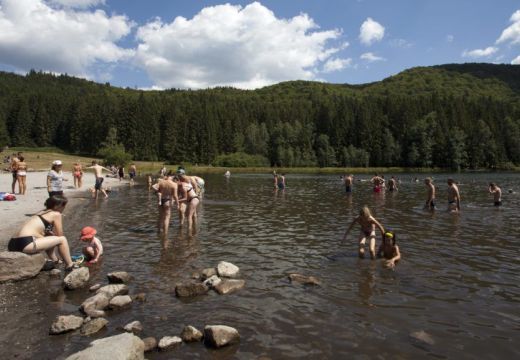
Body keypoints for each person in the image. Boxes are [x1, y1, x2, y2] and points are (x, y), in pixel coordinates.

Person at [8, 195, 76, 271]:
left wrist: (49, 234)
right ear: (58, 206)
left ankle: (55, 260)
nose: (64, 208)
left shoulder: (41, 212)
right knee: (62, 239)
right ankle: (70, 265)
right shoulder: (56, 214)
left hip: (12, 244)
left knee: (49, 236)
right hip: (25, 243)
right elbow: (60, 235)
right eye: (64, 206)